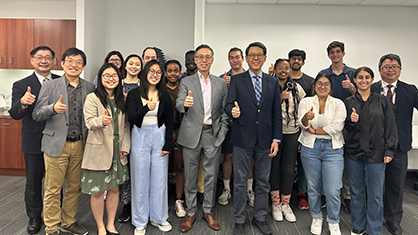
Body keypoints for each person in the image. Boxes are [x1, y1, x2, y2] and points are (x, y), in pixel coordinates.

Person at [32, 47, 95, 235]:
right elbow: (36, 114)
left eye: (78, 62)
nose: (73, 65)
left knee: (75, 187)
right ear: (62, 63)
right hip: (56, 144)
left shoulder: (90, 88)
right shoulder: (50, 86)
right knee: (53, 188)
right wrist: (52, 108)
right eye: (70, 61)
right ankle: (52, 227)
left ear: (83, 66)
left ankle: (68, 221)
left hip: (80, 144)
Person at [225, 41, 282, 235]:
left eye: (259, 55)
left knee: (263, 181)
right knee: (240, 181)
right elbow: (227, 105)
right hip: (242, 137)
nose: (255, 58)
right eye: (252, 55)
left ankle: (260, 217)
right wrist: (232, 111)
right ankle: (239, 220)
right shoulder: (237, 80)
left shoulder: (273, 82)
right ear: (246, 59)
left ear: (265, 58)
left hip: (266, 140)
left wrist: (276, 139)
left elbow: (276, 113)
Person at [176, 44, 228, 233]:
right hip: (191, 134)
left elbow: (224, 112)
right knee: (190, 176)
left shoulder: (221, 83)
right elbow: (179, 103)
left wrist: (221, 133)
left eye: (208, 57)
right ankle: (190, 212)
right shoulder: (186, 82)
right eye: (200, 57)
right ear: (195, 60)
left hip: (212, 135)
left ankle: (208, 211)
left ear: (212, 60)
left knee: (211, 176)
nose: (204, 60)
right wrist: (185, 104)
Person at [9, 46, 60, 234]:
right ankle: (34, 217)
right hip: (34, 140)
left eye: (48, 57)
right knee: (33, 181)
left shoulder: (60, 81)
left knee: (55, 181)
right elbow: (14, 113)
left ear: (54, 61)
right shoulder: (21, 84)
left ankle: (54, 215)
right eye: (39, 57)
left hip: (57, 139)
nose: (43, 61)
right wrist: (22, 102)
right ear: (32, 60)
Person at [344, 66, 398, 235]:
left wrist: (389, 151)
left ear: (372, 79)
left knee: (375, 194)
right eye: (360, 77)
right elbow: (344, 129)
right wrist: (351, 121)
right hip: (354, 153)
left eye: (367, 77)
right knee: (356, 192)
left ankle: (374, 229)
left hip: (377, 153)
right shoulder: (348, 102)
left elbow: (390, 127)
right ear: (355, 80)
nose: (363, 80)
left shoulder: (382, 101)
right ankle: (358, 226)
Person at [371, 53, 418, 235]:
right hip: (374, 146)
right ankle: (373, 218)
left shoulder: (410, 90)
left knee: (396, 185)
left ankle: (393, 219)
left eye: (394, 66)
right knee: (373, 185)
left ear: (400, 69)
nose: (390, 70)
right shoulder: (371, 88)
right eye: (386, 67)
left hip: (399, 145)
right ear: (379, 70)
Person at [81, 63, 130, 235]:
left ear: (119, 78)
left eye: (114, 76)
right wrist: (101, 121)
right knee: (97, 191)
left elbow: (125, 126)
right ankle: (100, 226)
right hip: (99, 151)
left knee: (114, 189)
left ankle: (110, 224)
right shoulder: (92, 98)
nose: (110, 79)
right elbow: (89, 122)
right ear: (100, 79)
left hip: (118, 151)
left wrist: (125, 147)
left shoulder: (122, 99)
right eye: (106, 76)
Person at [127, 60, 174, 235]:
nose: (154, 74)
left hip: (159, 135)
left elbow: (169, 120)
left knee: (160, 179)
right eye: (151, 71)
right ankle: (140, 221)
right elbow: (131, 118)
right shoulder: (134, 94)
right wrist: (147, 108)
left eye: (158, 72)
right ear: (145, 72)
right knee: (140, 180)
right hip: (140, 135)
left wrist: (167, 144)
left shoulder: (165, 94)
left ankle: (159, 218)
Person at [298, 73, 346, 235]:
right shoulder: (306, 102)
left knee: (332, 189)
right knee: (312, 187)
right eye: (319, 83)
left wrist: (315, 130)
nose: (322, 86)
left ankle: (333, 221)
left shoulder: (338, 103)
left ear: (331, 87)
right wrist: (306, 118)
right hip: (310, 148)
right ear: (314, 86)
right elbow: (302, 124)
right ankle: (316, 217)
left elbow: (337, 126)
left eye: (326, 84)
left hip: (333, 150)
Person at [319, 41, 356, 213]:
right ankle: (325, 194)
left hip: (349, 123)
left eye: (338, 52)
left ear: (343, 53)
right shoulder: (324, 74)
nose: (335, 54)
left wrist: (352, 88)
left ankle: (347, 195)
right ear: (329, 55)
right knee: (325, 159)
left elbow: (362, 94)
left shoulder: (353, 73)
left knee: (347, 160)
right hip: (328, 123)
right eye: (332, 52)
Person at [218, 47, 255, 207]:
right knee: (228, 157)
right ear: (229, 60)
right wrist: (225, 86)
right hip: (229, 124)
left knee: (249, 159)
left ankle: (249, 190)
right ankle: (226, 189)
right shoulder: (223, 79)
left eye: (237, 57)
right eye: (232, 58)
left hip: (247, 125)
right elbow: (219, 103)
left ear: (243, 59)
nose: (235, 60)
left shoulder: (251, 77)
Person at [269, 59, 305, 223]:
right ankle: (276, 204)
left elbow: (303, 109)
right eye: (280, 68)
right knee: (274, 167)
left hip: (292, 132)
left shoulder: (297, 88)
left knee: (289, 169)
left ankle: (286, 204)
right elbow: (261, 107)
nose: (283, 70)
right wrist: (278, 97)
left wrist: (302, 135)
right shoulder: (269, 85)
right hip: (273, 133)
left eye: (286, 68)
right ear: (275, 70)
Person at [117, 54, 143, 223]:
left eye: (137, 64)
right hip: (121, 131)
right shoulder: (117, 85)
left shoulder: (145, 85)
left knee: (139, 170)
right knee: (124, 171)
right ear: (125, 66)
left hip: (140, 131)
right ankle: (126, 205)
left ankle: (140, 204)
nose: (134, 67)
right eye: (131, 63)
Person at [287, 49, 314, 210]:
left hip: (303, 128)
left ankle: (302, 193)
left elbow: (311, 109)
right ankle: (285, 193)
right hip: (286, 128)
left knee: (303, 163)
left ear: (303, 62)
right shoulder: (282, 78)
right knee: (287, 164)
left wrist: (305, 132)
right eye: (293, 59)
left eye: (299, 59)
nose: (296, 61)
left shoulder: (310, 82)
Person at [164, 59, 186, 218]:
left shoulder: (184, 89)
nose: (173, 73)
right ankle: (161, 200)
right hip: (162, 132)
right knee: (162, 169)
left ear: (180, 73)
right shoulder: (159, 89)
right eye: (170, 71)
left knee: (179, 167)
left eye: (176, 71)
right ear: (165, 73)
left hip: (181, 132)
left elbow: (189, 113)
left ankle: (179, 200)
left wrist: (176, 134)